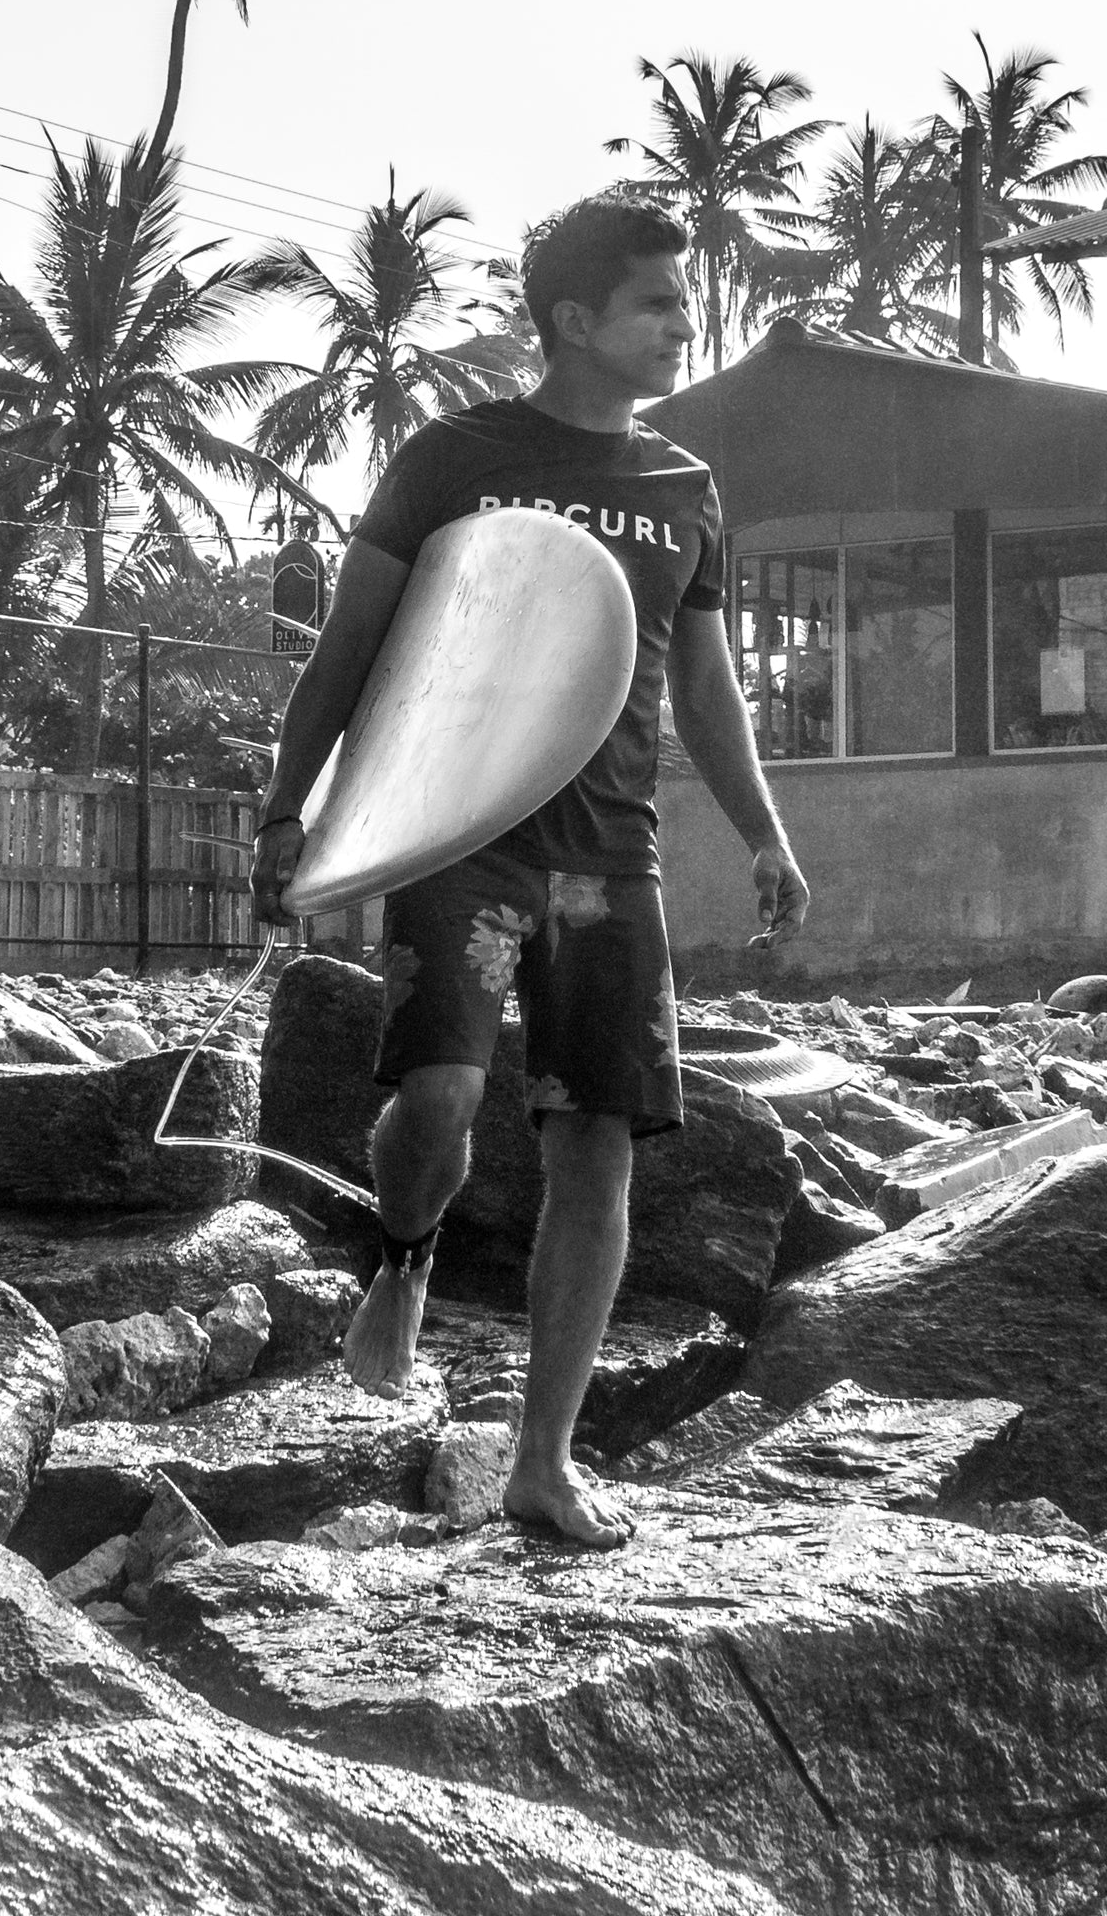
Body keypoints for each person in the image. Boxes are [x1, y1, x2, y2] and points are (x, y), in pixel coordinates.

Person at [249, 191, 810, 1548]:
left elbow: (706, 682)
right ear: (575, 319)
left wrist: (762, 828)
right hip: (464, 827)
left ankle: (541, 1463)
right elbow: (355, 646)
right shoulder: (456, 458)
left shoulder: (686, 491)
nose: (684, 325)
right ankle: (406, 1245)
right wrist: (291, 812)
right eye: (658, 305)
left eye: (684, 303)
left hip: (610, 853)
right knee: (435, 1104)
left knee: (597, 1140)